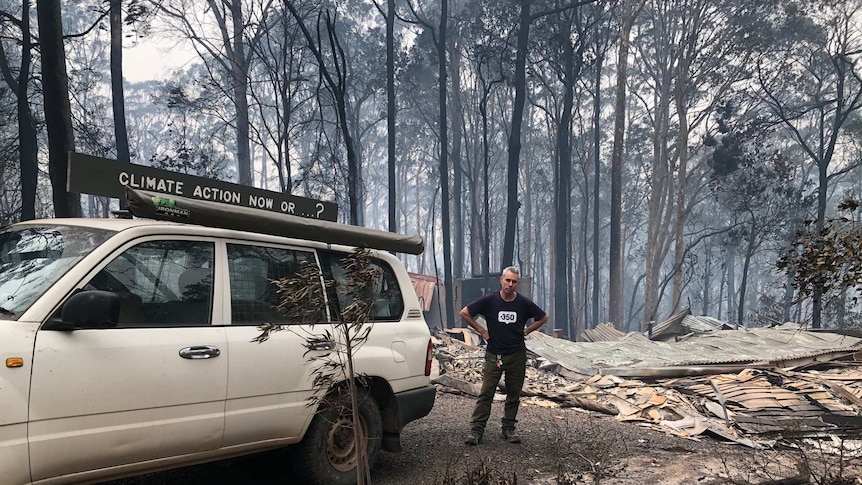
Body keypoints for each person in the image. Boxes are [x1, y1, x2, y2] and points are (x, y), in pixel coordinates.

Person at [461, 266, 549, 445]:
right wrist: (481, 330)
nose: (510, 284)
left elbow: (543, 317)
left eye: (514, 281)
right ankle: (476, 430)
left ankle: (508, 429)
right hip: (495, 354)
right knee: (486, 393)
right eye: (507, 280)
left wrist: (527, 330)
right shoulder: (490, 300)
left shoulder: (523, 303)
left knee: (513, 394)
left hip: (517, 354)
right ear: (501, 280)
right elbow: (465, 312)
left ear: (518, 284)